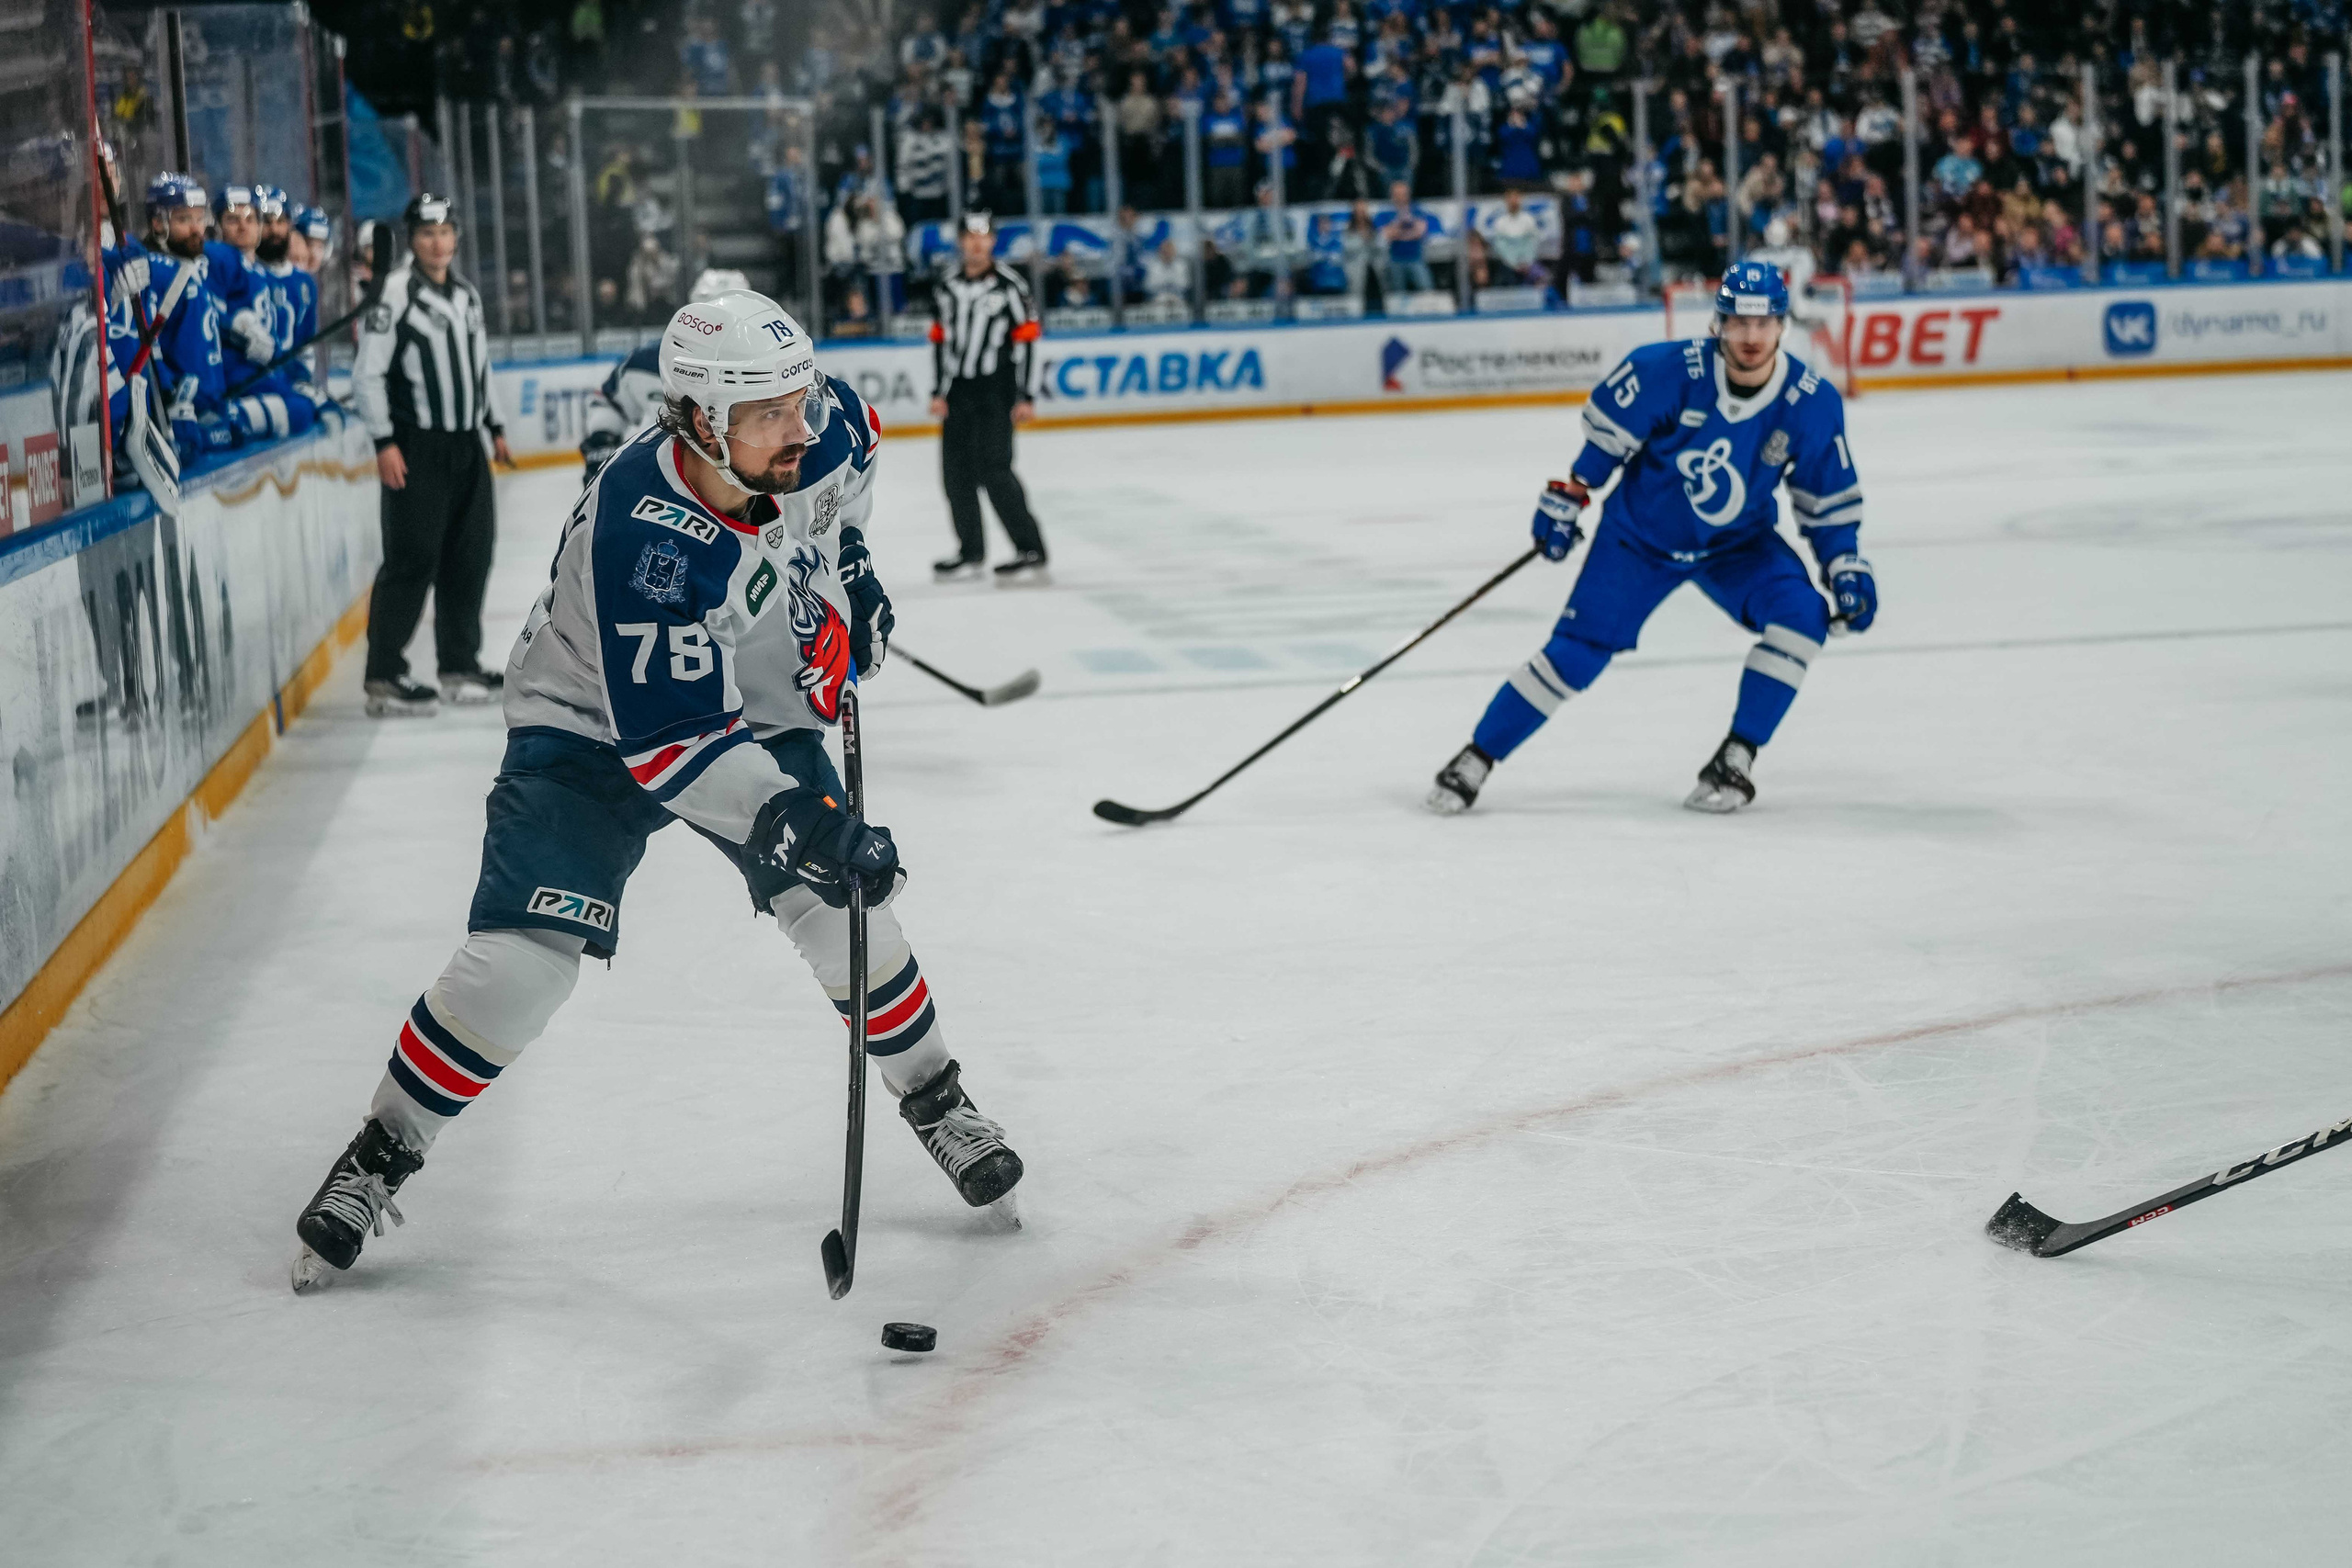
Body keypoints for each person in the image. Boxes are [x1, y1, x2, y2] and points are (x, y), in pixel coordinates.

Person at [289, 291, 1024, 1292]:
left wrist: (849, 560)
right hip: (590, 724)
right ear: (696, 421)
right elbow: (673, 748)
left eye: (797, 401)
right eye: (769, 415)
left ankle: (937, 1099)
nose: (798, 428)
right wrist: (802, 826)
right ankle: (381, 1150)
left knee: (846, 917)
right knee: (518, 968)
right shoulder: (649, 532)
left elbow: (849, 470)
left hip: (755, 702)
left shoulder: (818, 424)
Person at [1426, 263, 1877, 816]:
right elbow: (1602, 450)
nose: (1752, 337)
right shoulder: (1666, 371)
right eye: (1739, 323)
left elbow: (1825, 502)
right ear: (1720, 322)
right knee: (1575, 656)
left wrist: (1845, 564)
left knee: (1803, 616)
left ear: (1783, 325)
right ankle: (1477, 756)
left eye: (1765, 324)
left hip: (1738, 545)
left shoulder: (1811, 403)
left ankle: (1736, 755)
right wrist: (1569, 495)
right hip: (1638, 539)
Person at [355, 192, 515, 718]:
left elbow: (480, 365)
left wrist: (493, 426)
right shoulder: (394, 293)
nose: (438, 243)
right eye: (427, 234)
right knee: (411, 559)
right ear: (412, 239)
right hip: (416, 446)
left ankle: (459, 664)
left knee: (471, 555)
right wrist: (383, 441)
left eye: (446, 232)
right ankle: (384, 674)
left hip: (466, 444)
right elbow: (368, 373)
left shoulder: (467, 295)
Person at [925, 211, 1049, 583]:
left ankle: (1030, 547)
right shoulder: (947, 287)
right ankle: (971, 551)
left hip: (996, 389)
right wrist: (939, 391)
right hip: (959, 392)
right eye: (970, 237)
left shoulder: (1010, 286)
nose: (977, 244)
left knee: (995, 470)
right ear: (961, 241)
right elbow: (941, 343)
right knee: (955, 473)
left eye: (984, 237)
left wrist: (1024, 395)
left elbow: (1026, 343)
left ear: (993, 241)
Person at [581, 268, 750, 479]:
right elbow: (610, 401)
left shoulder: (764, 371)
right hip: (659, 481)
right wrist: (602, 438)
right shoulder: (649, 361)